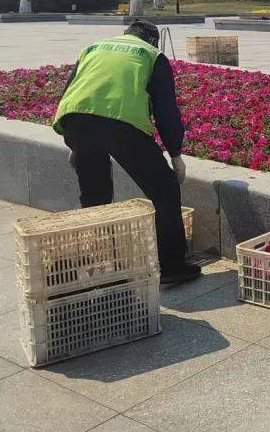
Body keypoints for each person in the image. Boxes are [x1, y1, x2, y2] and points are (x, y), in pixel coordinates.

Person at [52, 19, 200, 283]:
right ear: (153, 40)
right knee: (165, 189)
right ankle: (171, 266)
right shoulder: (152, 55)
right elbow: (165, 110)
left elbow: (70, 91)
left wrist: (74, 144)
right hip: (121, 123)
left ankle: (93, 259)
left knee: (95, 194)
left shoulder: (94, 48)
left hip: (75, 119)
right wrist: (175, 154)